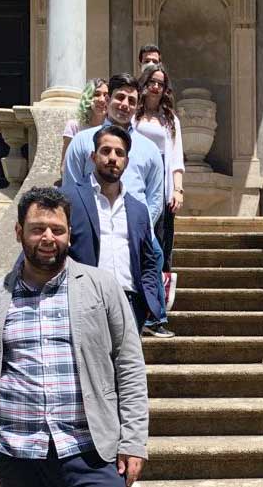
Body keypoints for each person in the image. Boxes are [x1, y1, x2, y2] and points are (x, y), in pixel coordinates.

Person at [0, 186, 148, 487]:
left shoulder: (102, 286)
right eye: (37, 229)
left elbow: (129, 363)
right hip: (18, 452)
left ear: (69, 234)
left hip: (90, 450)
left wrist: (133, 440)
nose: (48, 237)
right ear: (19, 232)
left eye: (57, 230)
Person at [63, 73, 174, 337]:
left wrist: (138, 226)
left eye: (132, 100)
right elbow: (69, 191)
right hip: (91, 234)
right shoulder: (83, 142)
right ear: (108, 99)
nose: (125, 104)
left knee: (154, 260)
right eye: (120, 97)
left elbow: (155, 198)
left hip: (136, 233)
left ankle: (154, 317)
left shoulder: (149, 149)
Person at [62, 125, 160, 332]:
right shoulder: (69, 199)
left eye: (119, 153)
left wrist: (148, 301)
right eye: (106, 151)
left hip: (130, 304)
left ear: (127, 161)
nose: (113, 158)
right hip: (85, 300)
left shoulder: (138, 209)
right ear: (93, 156)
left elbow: (148, 261)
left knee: (130, 356)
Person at [135, 63, 185, 272]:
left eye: (160, 84)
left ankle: (161, 282)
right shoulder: (133, 115)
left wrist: (177, 189)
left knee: (162, 237)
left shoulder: (170, 120)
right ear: (144, 84)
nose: (156, 87)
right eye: (152, 82)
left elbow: (176, 157)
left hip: (162, 182)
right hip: (137, 177)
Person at [61, 78, 109, 171]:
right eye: (96, 94)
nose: (102, 100)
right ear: (88, 97)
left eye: (106, 95)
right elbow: (64, 166)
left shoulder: (113, 129)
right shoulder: (74, 126)